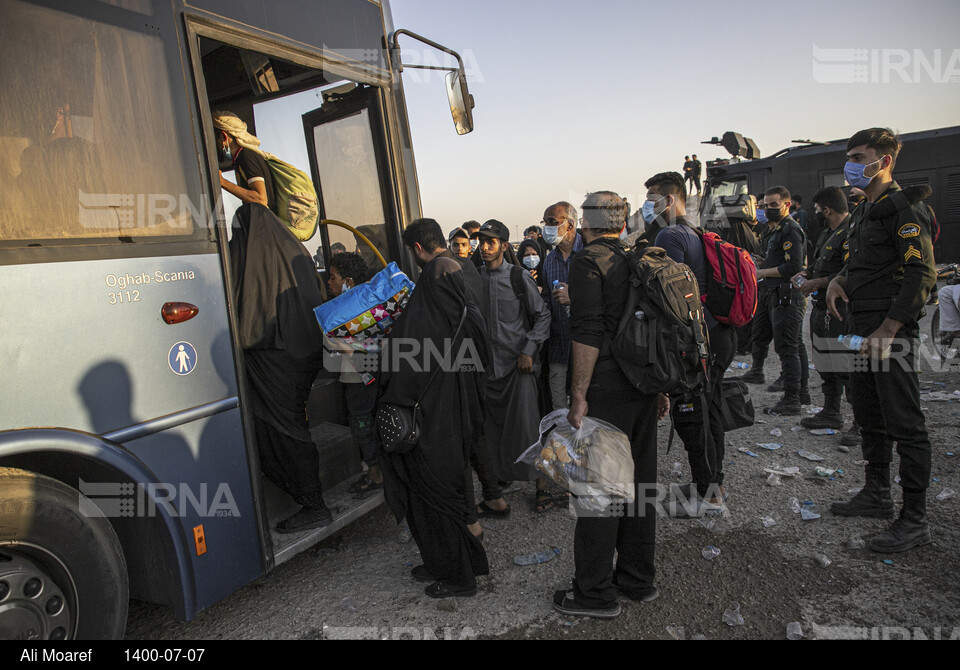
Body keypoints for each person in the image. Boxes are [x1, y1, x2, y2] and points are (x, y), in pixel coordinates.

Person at [554, 191, 667, 619]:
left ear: (588, 220)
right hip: (643, 386)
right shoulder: (639, 257)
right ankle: (638, 580)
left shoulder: (588, 261)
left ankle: (594, 594)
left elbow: (587, 332)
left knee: (599, 493)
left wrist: (579, 394)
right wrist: (660, 388)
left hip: (606, 393)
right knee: (639, 487)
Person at [826, 127, 937, 553]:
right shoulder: (863, 212)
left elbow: (921, 273)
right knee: (868, 413)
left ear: (884, 161)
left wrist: (889, 329)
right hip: (858, 331)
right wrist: (837, 280)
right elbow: (863, 264)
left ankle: (915, 519)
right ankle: (877, 493)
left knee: (905, 424)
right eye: (849, 156)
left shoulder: (903, 210)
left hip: (889, 335)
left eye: (858, 156)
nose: (850, 165)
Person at [378, 235, 490, 599]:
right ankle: (448, 563)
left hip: (430, 431)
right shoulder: (467, 322)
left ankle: (459, 578)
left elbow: (399, 373)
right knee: (445, 498)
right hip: (455, 429)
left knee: (436, 501)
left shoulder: (420, 330)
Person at [228, 203, 331, 533]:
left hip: (274, 358)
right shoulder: (291, 248)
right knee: (294, 423)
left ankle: (313, 504)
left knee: (285, 431)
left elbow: (244, 315)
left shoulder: (247, 258)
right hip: (305, 354)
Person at [402, 219, 509, 534]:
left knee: (453, 443)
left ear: (418, 248)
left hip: (454, 370)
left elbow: (431, 332)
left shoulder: (434, 273)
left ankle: (468, 523)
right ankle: (493, 497)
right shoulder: (464, 265)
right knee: (474, 433)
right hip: (475, 362)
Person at [645, 172, 734, 516]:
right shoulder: (694, 231)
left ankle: (708, 497)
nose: (648, 204)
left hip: (696, 342)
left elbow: (668, 296)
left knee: (692, 417)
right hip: (717, 335)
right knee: (710, 412)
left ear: (669, 199)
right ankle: (712, 484)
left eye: (653, 197)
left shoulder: (669, 235)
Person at [471, 220, 554, 512]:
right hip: (488, 372)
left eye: (491, 242)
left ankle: (542, 487)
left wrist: (529, 350)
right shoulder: (474, 279)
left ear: (505, 246)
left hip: (519, 369)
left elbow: (543, 316)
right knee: (493, 431)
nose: (484, 247)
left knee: (528, 429)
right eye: (481, 241)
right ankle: (499, 485)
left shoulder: (518, 277)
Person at [794, 187, 860, 446]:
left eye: (818, 209)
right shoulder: (827, 233)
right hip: (821, 308)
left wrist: (819, 282)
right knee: (825, 363)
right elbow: (818, 265)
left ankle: (861, 423)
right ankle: (831, 412)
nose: (816, 214)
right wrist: (804, 275)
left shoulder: (852, 232)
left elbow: (854, 270)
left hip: (840, 309)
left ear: (827, 209)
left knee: (848, 367)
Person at [738, 186, 811, 414]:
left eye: (772, 205)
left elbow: (793, 266)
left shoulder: (790, 229)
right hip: (773, 292)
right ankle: (790, 387)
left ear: (786, 204)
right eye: (764, 206)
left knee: (788, 346)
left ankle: (793, 398)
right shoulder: (773, 230)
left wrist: (762, 273)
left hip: (787, 293)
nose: (767, 210)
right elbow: (773, 258)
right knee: (764, 335)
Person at [324, 252, 384, 499]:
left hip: (360, 378)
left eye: (333, 277)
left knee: (362, 426)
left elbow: (363, 355)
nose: (329, 282)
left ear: (348, 280)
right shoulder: (372, 301)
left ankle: (376, 475)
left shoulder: (346, 309)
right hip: (372, 375)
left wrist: (342, 347)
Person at [541, 201, 584, 410]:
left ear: (570, 224)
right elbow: (548, 299)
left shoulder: (589, 252)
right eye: (545, 222)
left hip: (586, 348)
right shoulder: (550, 260)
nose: (547, 228)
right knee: (559, 408)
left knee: (585, 410)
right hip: (559, 345)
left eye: (552, 222)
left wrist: (574, 298)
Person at [213, 111, 277, 212]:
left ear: (224, 136)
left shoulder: (246, 156)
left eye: (215, 138)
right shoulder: (242, 157)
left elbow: (260, 199)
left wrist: (222, 182)